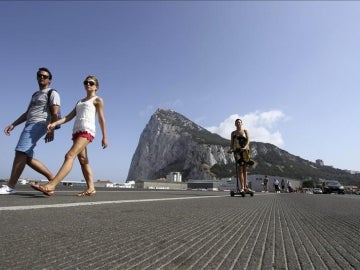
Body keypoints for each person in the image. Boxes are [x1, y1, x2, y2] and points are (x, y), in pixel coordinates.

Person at [31, 75, 108, 196]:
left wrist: (105, 136)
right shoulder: (80, 101)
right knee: (83, 160)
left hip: (87, 131)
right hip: (77, 131)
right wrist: (55, 123)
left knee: (69, 155)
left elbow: (101, 119)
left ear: (96, 87)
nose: (88, 84)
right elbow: (69, 117)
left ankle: (51, 186)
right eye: (86, 82)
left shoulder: (98, 100)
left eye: (91, 83)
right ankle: (91, 188)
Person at [0, 67, 60, 195]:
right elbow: (27, 113)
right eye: (39, 75)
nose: (41, 77)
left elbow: (55, 113)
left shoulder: (52, 93)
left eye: (44, 76)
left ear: (50, 80)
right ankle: (52, 179)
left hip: (39, 124)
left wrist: (52, 129)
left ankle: (10, 186)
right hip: (30, 123)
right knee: (26, 157)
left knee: (20, 152)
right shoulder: (35, 94)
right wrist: (13, 124)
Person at [229, 118, 253, 193]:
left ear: (241, 123)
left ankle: (245, 187)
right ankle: (242, 187)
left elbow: (248, 140)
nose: (238, 123)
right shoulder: (233, 133)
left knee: (245, 169)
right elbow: (232, 143)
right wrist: (230, 149)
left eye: (239, 122)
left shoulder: (245, 131)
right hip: (237, 152)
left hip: (245, 151)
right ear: (235, 124)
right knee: (240, 169)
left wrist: (245, 147)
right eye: (237, 122)